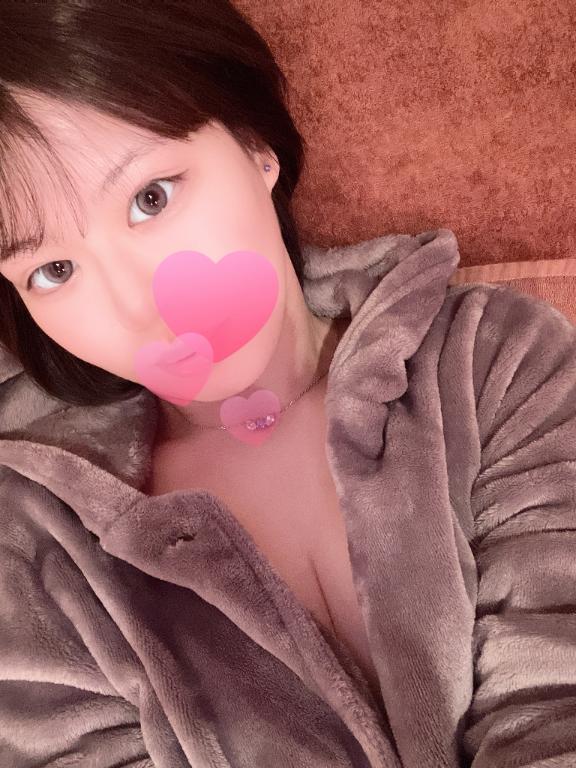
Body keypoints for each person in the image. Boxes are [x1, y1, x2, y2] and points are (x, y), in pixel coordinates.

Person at [1, 3, 576, 768]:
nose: (136, 306)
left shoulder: (494, 358)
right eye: (53, 270)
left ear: (255, 147)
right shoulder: (35, 539)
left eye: (151, 198)